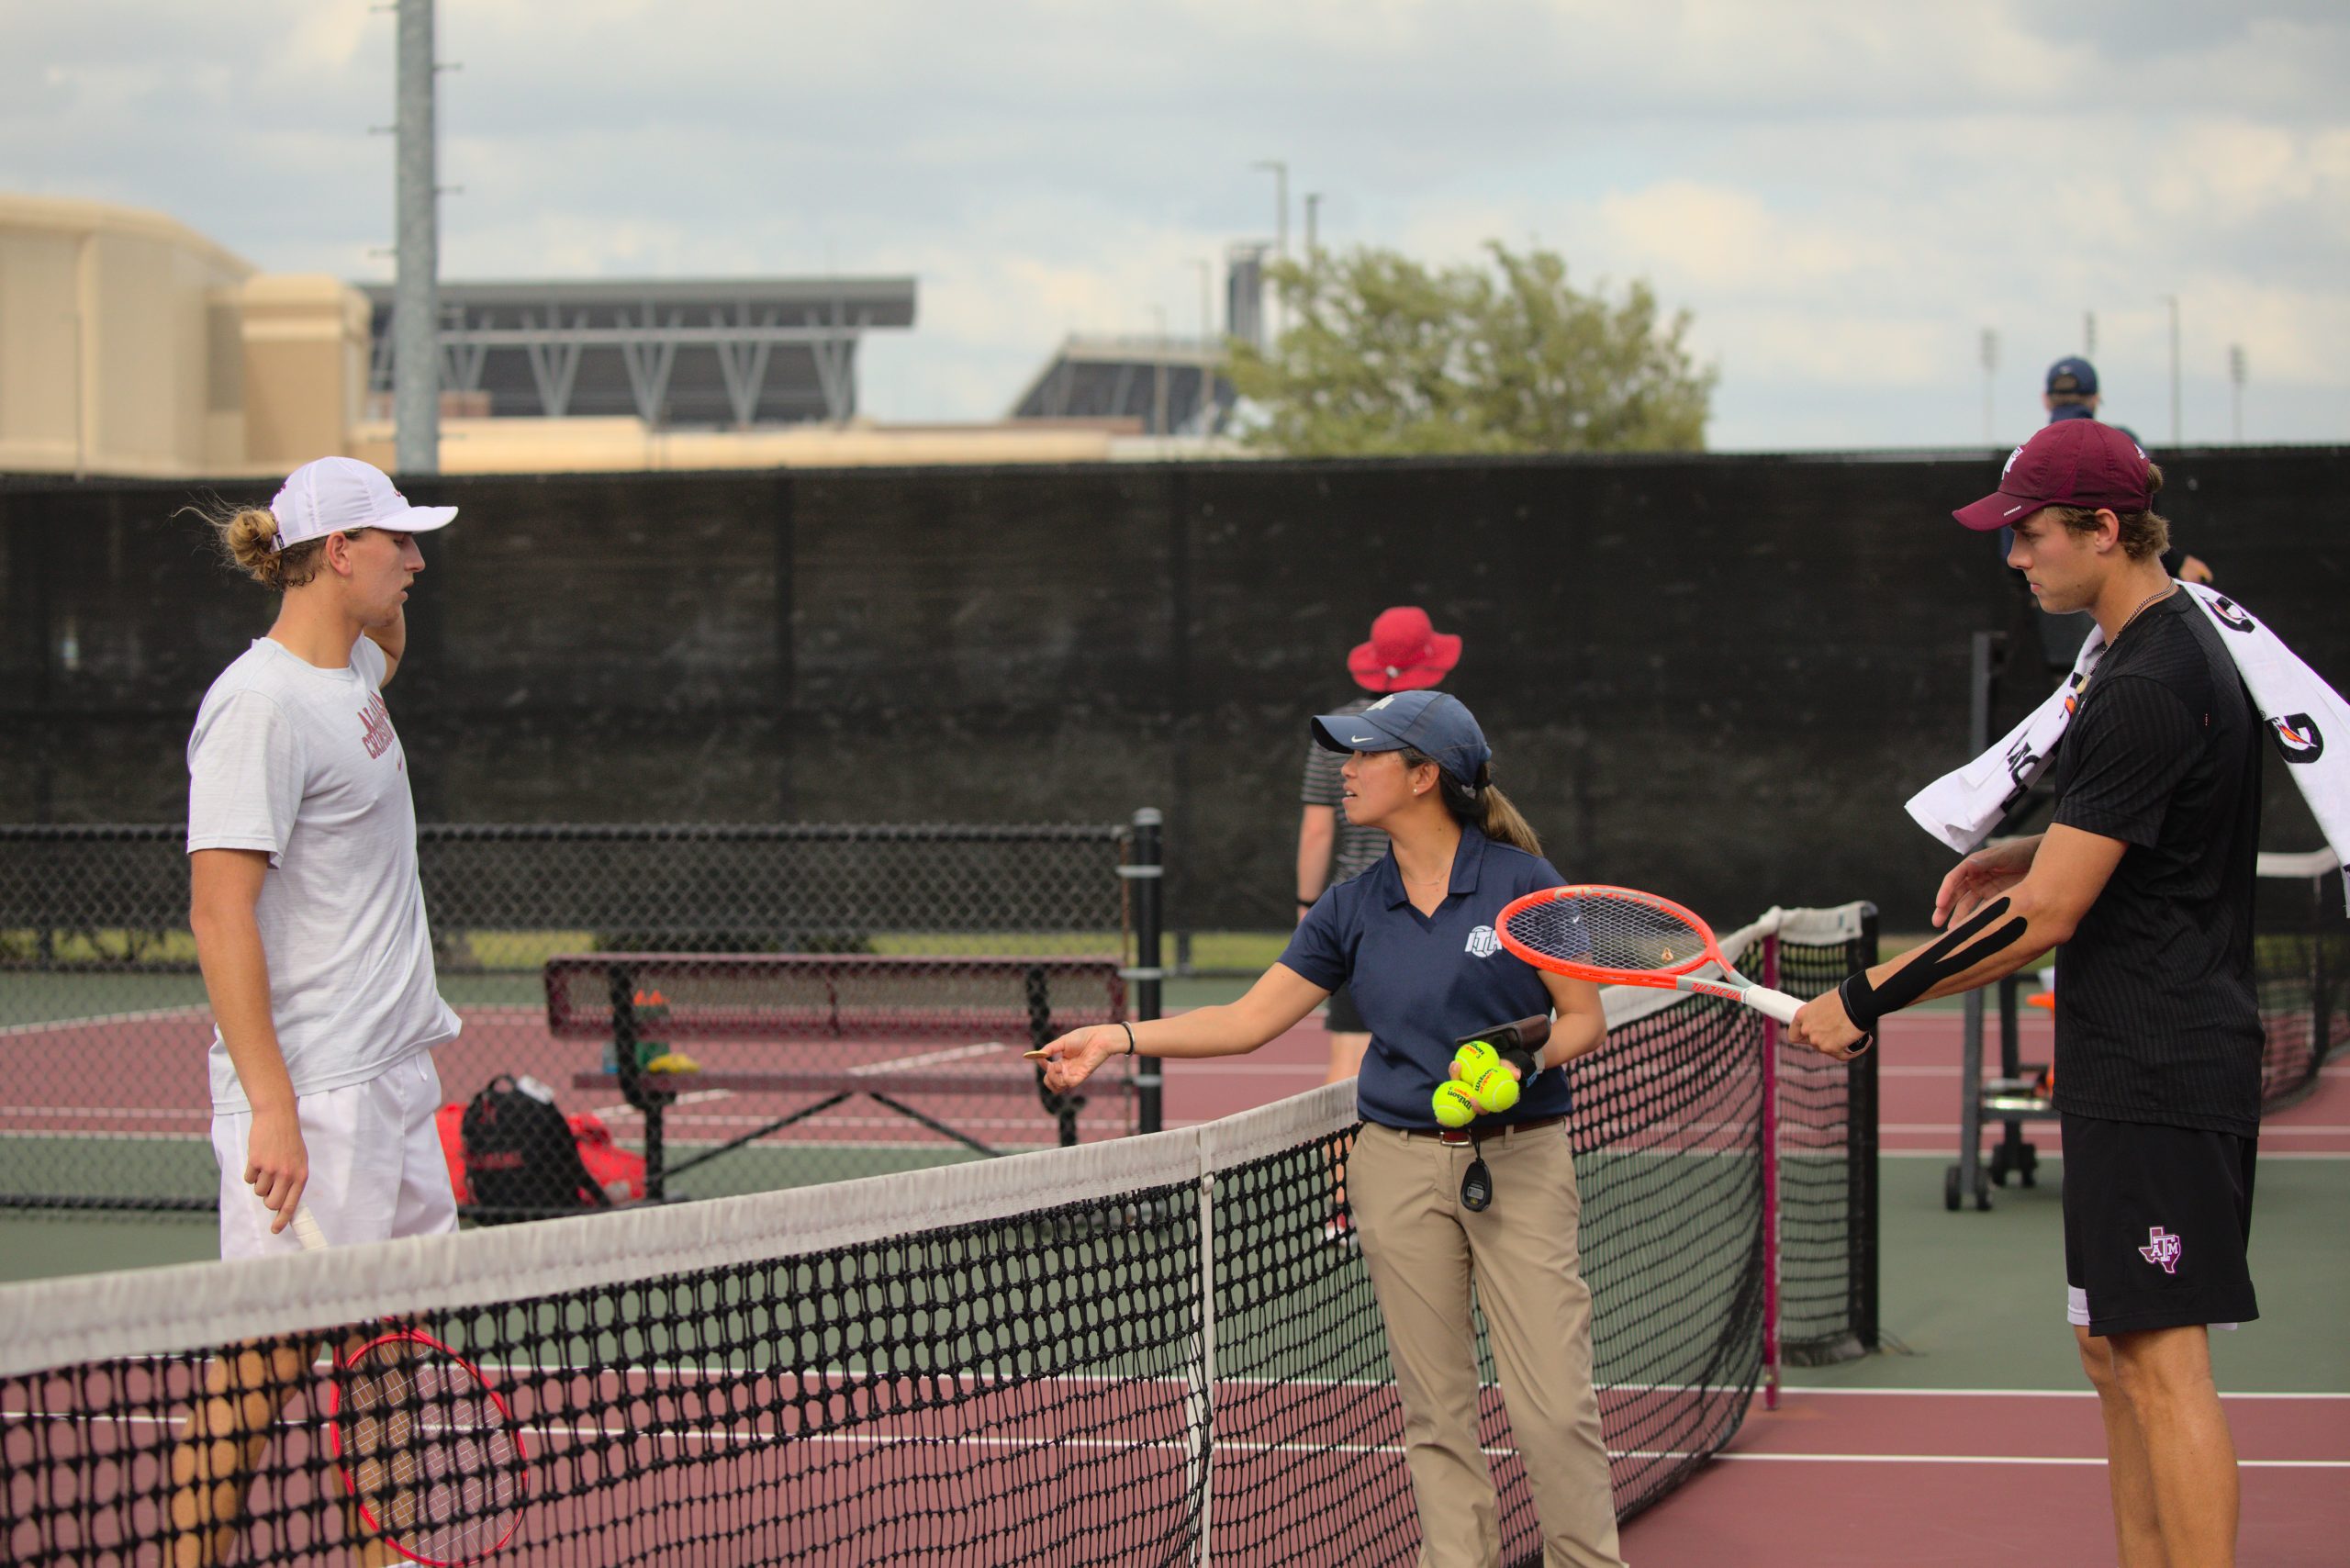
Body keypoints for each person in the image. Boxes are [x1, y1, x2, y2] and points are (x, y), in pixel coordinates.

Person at [1793, 417, 2259, 1568]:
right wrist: (2036, 847)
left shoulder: (2153, 673)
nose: (2016, 559)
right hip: (2121, 1053)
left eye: (2031, 535)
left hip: (2162, 1059)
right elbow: (2119, 842)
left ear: (2104, 529)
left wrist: (1866, 995)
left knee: (2159, 1360)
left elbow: (2049, 918)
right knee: (2114, 1352)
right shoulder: (2147, 651)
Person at [1040, 690, 1624, 1568]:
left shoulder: (1525, 885)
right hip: (1392, 1168)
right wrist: (1116, 1037)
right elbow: (1246, 1020)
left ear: (1425, 777)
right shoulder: (1350, 907)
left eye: (1364, 757)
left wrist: (1520, 1067)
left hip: (1522, 1165)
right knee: (1436, 1412)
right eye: (1345, 755)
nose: (1344, 771)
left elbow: (1583, 1017)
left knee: (1553, 1408)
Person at [172, 455, 463, 1565]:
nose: (419, 558)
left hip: (392, 1079)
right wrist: (272, 1108)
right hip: (315, 1100)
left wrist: (377, 621)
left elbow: (382, 646)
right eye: (398, 542)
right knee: (259, 1373)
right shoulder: (256, 708)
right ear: (339, 551)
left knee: (388, 1359)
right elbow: (217, 913)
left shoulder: (349, 677)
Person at [1297, 605, 1463, 1095]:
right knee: (1447, 1054)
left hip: (1356, 914)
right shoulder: (1447, 731)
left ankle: (1344, 1176)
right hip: (1439, 909)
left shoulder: (1336, 731)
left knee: (1348, 1056)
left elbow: (1315, 832)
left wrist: (1308, 907)